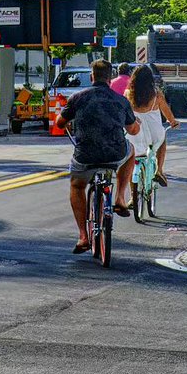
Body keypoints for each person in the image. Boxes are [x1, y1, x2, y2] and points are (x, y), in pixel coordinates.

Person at [60, 59, 140, 253]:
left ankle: (83, 236)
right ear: (110, 78)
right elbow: (133, 130)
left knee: (77, 185)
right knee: (131, 152)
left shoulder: (78, 98)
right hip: (115, 153)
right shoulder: (121, 101)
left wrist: (63, 121)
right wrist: (135, 123)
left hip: (85, 155)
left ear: (91, 76)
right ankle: (120, 198)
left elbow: (60, 122)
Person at [125, 63, 180, 188]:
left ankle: (132, 198)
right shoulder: (157, 95)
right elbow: (168, 114)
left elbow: (124, 112)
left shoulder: (128, 94)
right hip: (154, 135)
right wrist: (173, 122)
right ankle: (159, 170)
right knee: (162, 140)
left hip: (135, 134)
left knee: (132, 162)